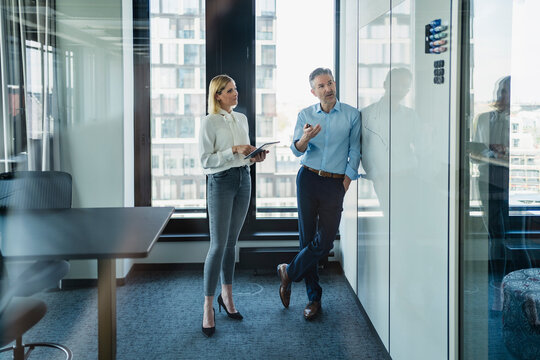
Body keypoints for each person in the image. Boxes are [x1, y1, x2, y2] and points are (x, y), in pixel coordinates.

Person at [277, 68, 361, 320]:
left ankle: (288, 272)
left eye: (331, 83)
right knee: (307, 238)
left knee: (324, 242)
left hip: (335, 184)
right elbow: (296, 150)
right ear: (313, 91)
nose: (328, 88)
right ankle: (314, 299)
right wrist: (305, 137)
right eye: (322, 86)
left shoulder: (351, 115)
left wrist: (345, 181)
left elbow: (355, 150)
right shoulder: (305, 114)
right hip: (308, 179)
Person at [199, 74, 267, 337]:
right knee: (217, 245)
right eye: (229, 90)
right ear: (217, 95)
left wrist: (254, 157)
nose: (235, 93)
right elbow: (205, 161)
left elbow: (245, 157)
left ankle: (226, 296)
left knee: (231, 243)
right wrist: (233, 151)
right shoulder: (209, 122)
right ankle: (207, 306)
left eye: (236, 88)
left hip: (243, 179)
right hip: (221, 182)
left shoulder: (242, 119)